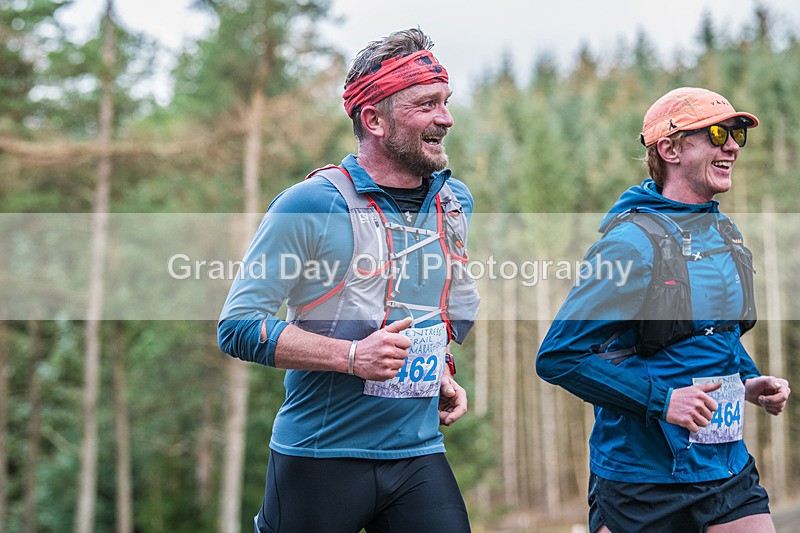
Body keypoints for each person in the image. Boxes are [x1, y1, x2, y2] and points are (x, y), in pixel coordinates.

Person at [218, 28, 479, 533]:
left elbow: (423, 308)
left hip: (417, 453)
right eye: (426, 104)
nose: (445, 118)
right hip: (321, 456)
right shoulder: (311, 204)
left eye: (446, 102)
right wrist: (353, 358)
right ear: (374, 119)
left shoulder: (453, 202)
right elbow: (239, 327)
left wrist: (438, 369)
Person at [536, 87, 791, 533]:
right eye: (716, 133)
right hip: (641, 480)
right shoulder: (628, 244)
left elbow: (716, 334)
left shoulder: (726, 234)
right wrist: (664, 400)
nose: (731, 146)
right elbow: (558, 358)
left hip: (724, 465)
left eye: (735, 136)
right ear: (670, 149)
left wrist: (749, 379)